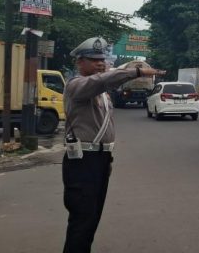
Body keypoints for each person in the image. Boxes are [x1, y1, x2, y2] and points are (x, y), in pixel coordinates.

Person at [62, 36, 165, 253]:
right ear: (80, 62)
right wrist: (135, 71)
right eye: (93, 59)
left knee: (93, 218)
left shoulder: (104, 95)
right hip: (82, 161)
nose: (100, 63)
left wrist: (106, 158)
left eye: (102, 59)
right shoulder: (77, 86)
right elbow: (100, 81)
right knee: (82, 219)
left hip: (99, 159)